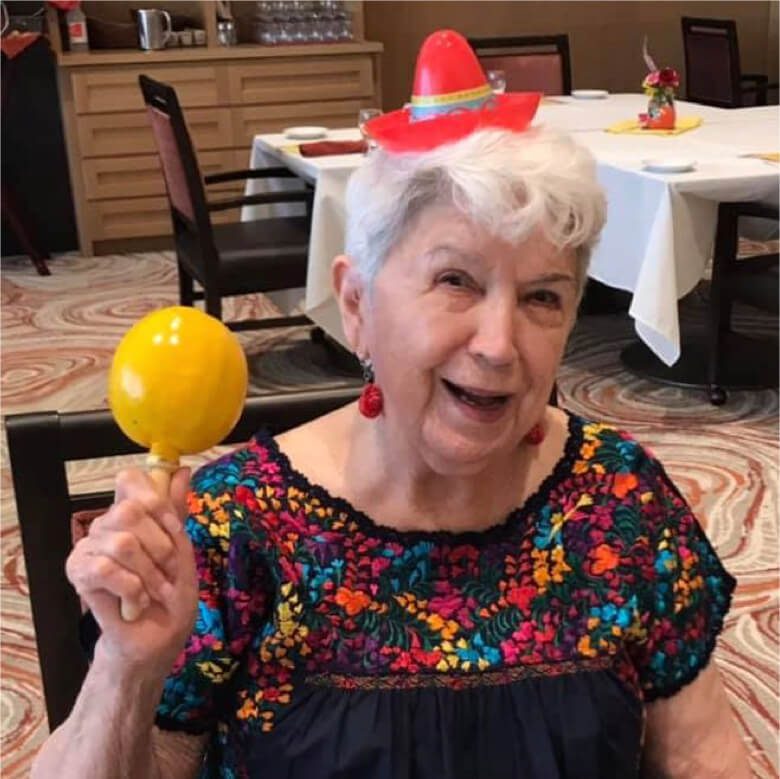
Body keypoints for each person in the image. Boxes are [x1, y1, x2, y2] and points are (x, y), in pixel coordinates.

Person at [32, 30, 750, 779]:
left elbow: (704, 753)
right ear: (356, 304)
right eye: (456, 281)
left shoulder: (621, 503)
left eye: (543, 296)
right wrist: (126, 671)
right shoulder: (233, 530)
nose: (500, 344)